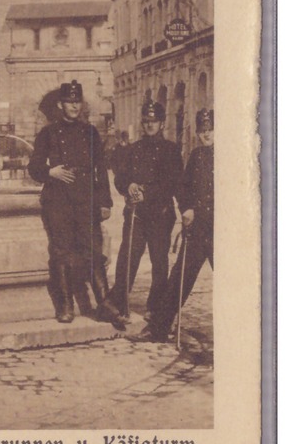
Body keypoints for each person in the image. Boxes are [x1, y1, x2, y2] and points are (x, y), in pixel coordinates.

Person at [28, 80, 122, 328]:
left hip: (85, 199)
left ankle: (104, 303)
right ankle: (66, 305)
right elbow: (34, 167)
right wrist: (52, 171)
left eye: (77, 102)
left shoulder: (90, 132)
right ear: (61, 104)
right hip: (58, 200)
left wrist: (105, 202)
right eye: (69, 102)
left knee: (94, 249)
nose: (73, 106)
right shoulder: (47, 133)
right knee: (61, 252)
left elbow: (100, 169)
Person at [138, 108, 214, 342]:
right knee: (178, 278)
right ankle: (159, 328)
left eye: (210, 130)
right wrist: (187, 208)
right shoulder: (197, 156)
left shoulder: (235, 156)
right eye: (202, 131)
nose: (206, 135)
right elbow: (183, 186)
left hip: (223, 232)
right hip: (197, 229)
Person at [105, 100, 182, 322]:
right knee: (128, 256)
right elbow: (120, 177)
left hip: (160, 214)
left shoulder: (171, 150)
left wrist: (146, 191)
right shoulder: (133, 149)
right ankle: (118, 301)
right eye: (146, 121)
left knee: (159, 262)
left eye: (154, 121)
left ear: (162, 123)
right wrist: (128, 185)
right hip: (136, 214)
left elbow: (171, 182)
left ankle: (155, 306)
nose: (150, 125)